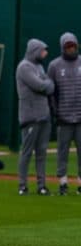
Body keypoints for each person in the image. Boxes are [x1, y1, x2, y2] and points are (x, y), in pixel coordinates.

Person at [16, 39, 54, 196]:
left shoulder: (38, 66)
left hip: (44, 115)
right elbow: (41, 85)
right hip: (30, 117)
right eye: (42, 50)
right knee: (27, 151)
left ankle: (41, 185)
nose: (45, 53)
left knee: (42, 152)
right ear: (34, 50)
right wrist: (47, 83)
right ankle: (22, 185)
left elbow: (50, 86)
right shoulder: (24, 67)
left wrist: (47, 84)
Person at [47, 32, 81, 196]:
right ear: (62, 47)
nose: (70, 49)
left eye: (72, 45)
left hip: (80, 118)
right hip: (63, 118)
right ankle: (63, 183)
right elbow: (51, 93)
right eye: (67, 46)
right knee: (62, 152)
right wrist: (56, 112)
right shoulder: (54, 66)